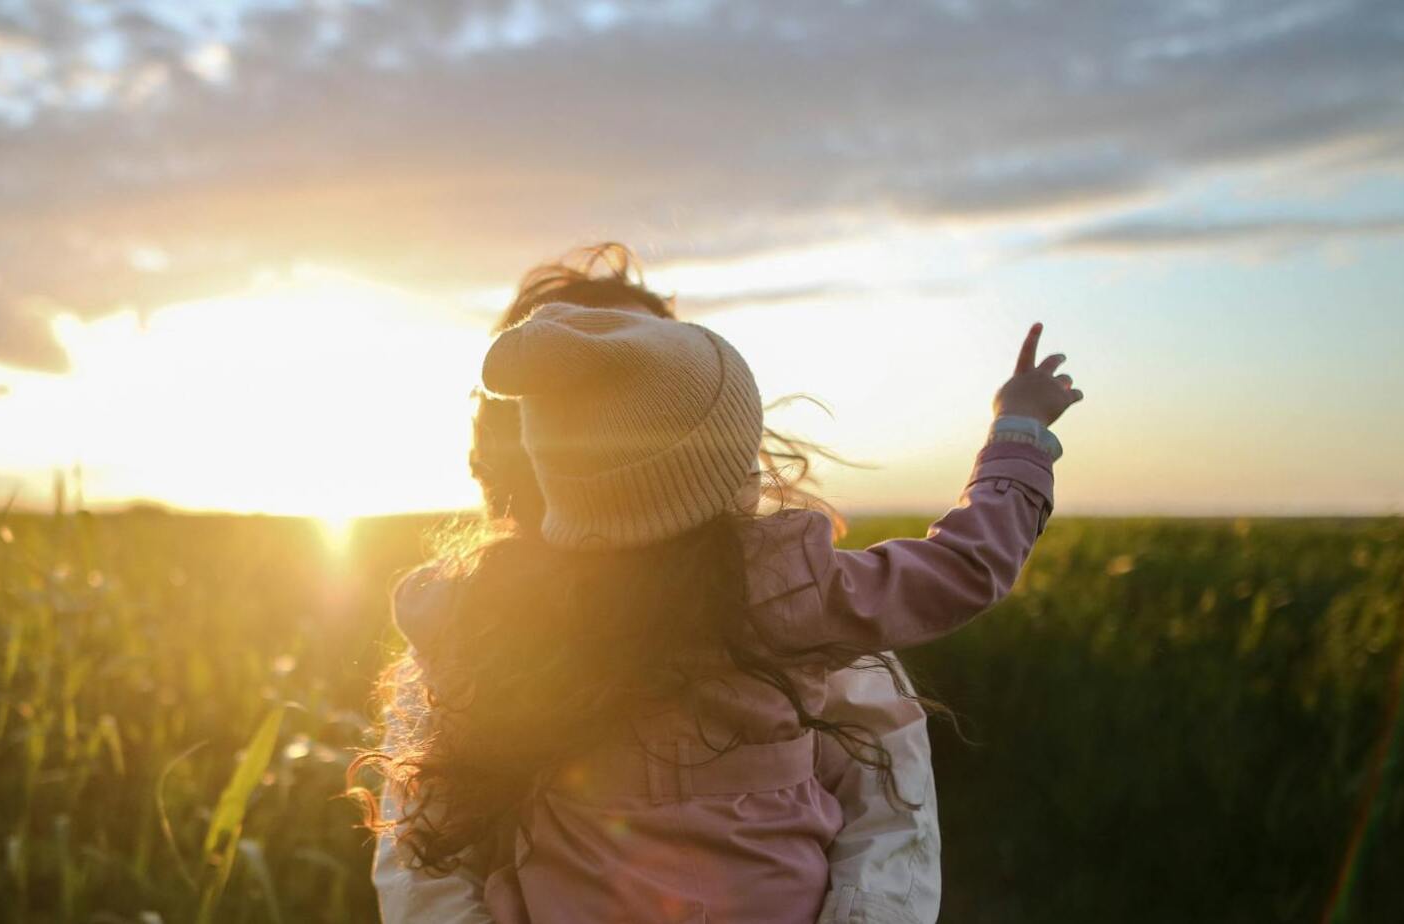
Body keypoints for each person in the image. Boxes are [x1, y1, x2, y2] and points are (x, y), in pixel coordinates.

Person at [355, 244, 1079, 923]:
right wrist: (1018, 432)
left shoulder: (482, 610)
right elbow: (965, 567)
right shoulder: (793, 591)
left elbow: (887, 831)